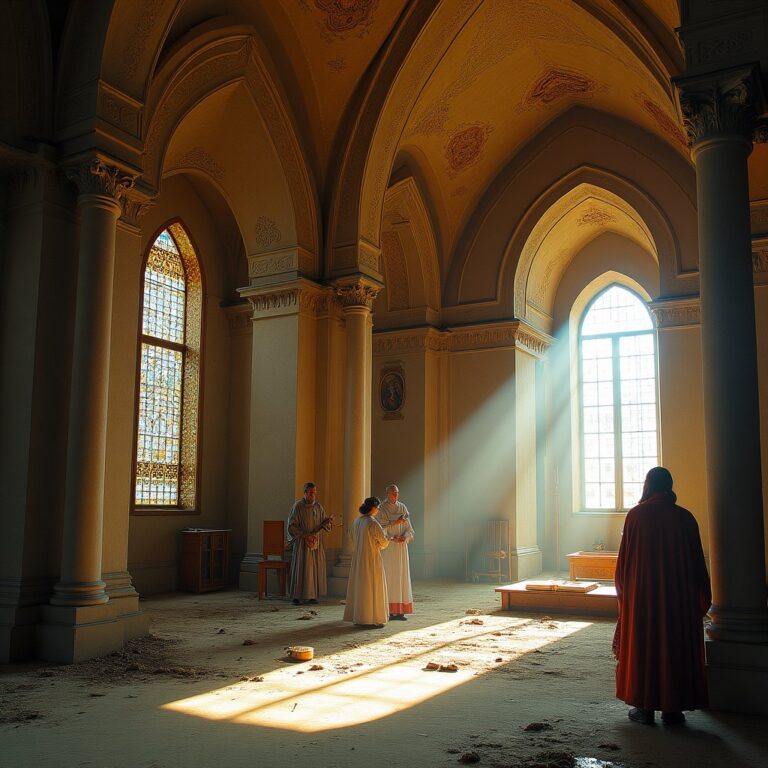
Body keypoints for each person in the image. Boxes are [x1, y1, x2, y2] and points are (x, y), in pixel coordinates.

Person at [613, 466, 711, 725]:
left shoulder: (635, 516)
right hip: (677, 599)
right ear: (669, 485)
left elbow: (624, 565)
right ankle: (673, 709)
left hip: (643, 598)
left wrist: (626, 597)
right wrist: (700, 597)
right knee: (674, 645)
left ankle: (644, 708)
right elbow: (697, 564)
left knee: (644, 644)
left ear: (648, 485)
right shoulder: (685, 518)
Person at [343, 496, 389, 628]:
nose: (378, 509)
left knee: (360, 586)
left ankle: (359, 617)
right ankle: (370, 619)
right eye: (377, 507)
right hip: (371, 558)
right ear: (373, 507)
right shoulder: (372, 523)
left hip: (359, 558)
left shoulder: (356, 521)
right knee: (371, 586)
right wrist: (382, 542)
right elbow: (384, 541)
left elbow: (352, 538)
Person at [287, 482, 333, 606]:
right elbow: (291, 526)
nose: (313, 495)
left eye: (315, 492)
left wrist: (328, 522)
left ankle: (312, 595)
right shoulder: (298, 506)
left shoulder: (318, 506)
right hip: (302, 543)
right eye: (311, 492)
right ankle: (297, 596)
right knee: (301, 568)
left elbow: (324, 522)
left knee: (313, 569)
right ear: (305, 493)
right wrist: (305, 535)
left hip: (315, 541)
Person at [378, 484, 415, 620]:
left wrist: (405, 537)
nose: (395, 495)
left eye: (397, 493)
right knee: (389, 576)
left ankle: (400, 611)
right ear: (387, 493)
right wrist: (393, 534)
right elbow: (380, 527)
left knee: (401, 576)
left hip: (400, 548)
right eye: (393, 493)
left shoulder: (402, 507)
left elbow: (409, 529)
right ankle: (387, 610)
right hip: (388, 547)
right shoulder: (382, 508)